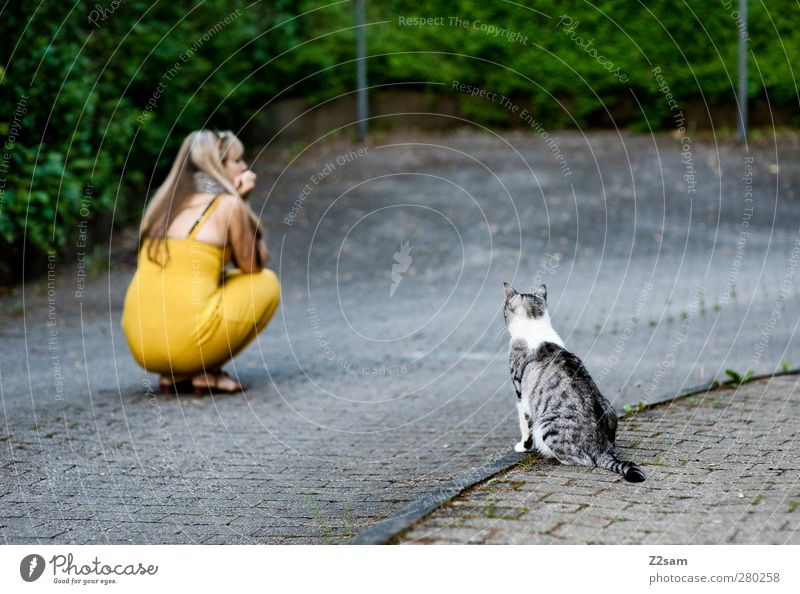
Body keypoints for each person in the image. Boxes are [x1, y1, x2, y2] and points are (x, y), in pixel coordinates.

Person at [121, 129, 281, 394]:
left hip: (143, 348)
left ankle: (175, 374)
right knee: (266, 283)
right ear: (217, 166)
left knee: (199, 281)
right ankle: (204, 371)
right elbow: (254, 264)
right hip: (186, 346)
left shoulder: (162, 206)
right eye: (237, 160)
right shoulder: (227, 206)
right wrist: (244, 203)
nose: (244, 166)